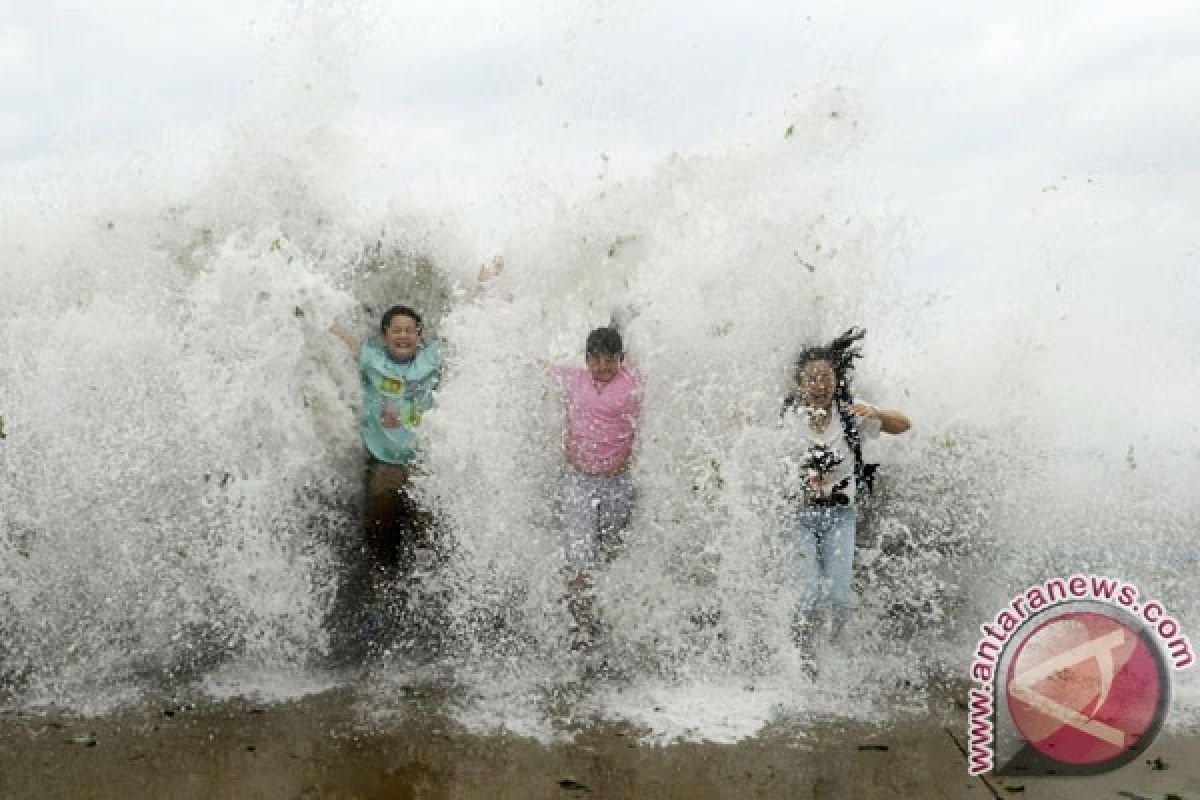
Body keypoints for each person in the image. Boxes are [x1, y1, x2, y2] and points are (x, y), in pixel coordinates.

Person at [781, 327, 910, 645]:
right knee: (809, 594)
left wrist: (877, 413)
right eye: (811, 378)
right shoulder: (789, 417)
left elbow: (904, 425)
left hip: (840, 518)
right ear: (800, 383)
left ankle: (832, 648)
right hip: (800, 517)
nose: (819, 385)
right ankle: (800, 653)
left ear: (837, 380)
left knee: (839, 598)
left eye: (826, 377)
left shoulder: (851, 413)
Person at [331, 306, 441, 601]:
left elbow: (465, 333)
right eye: (397, 330)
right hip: (385, 461)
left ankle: (426, 577)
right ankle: (384, 570)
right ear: (385, 336)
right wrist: (311, 310)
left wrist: (483, 288)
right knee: (381, 510)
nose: (403, 335)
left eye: (410, 330)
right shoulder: (374, 360)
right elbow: (346, 340)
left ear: (419, 335)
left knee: (427, 518)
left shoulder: (430, 359)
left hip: (423, 462)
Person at [552, 326, 642, 651]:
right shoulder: (573, 379)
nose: (603, 366)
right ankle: (581, 627)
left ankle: (604, 617)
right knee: (579, 556)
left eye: (610, 359)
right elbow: (532, 370)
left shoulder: (634, 383)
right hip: (578, 480)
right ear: (586, 359)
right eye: (596, 359)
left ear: (622, 359)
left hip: (617, 482)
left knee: (608, 551)